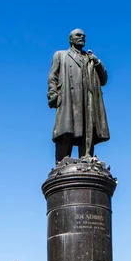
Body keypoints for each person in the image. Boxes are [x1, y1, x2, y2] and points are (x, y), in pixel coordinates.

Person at [48, 29, 110, 162]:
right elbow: (53, 76)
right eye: (78, 35)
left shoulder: (90, 58)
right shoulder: (61, 55)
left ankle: (86, 157)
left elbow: (103, 80)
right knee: (66, 129)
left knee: (88, 128)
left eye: (84, 36)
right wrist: (52, 93)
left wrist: (97, 62)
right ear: (70, 39)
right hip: (68, 98)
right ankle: (61, 161)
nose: (82, 37)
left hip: (88, 99)